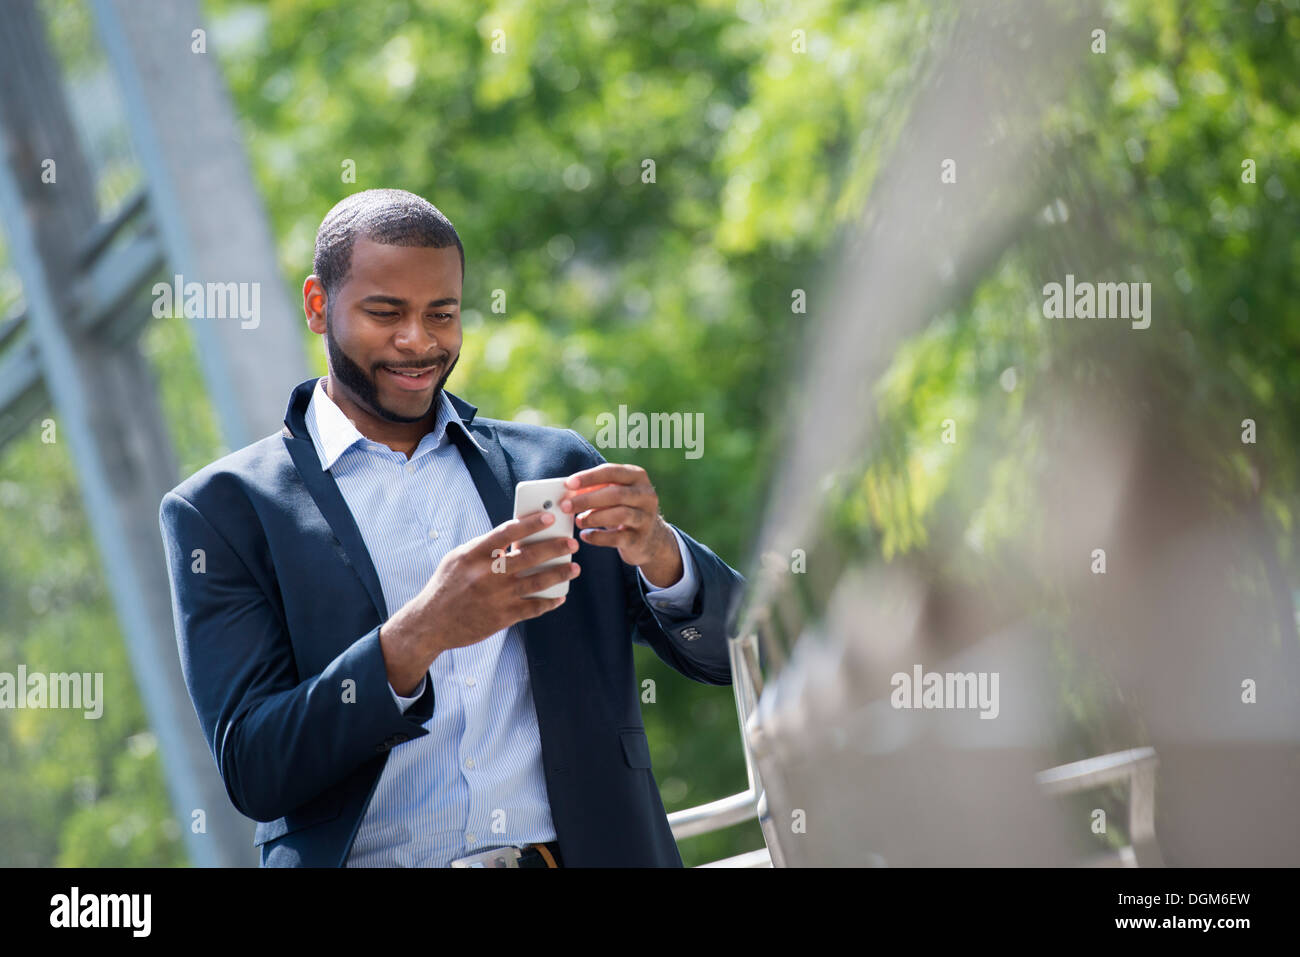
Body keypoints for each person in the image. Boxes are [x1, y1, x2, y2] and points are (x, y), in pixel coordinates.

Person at [158, 188, 746, 867]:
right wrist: (416, 637)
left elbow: (734, 650)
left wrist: (662, 554)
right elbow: (255, 768)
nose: (419, 341)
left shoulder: (554, 466)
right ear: (319, 306)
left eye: (442, 313)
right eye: (386, 313)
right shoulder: (223, 511)